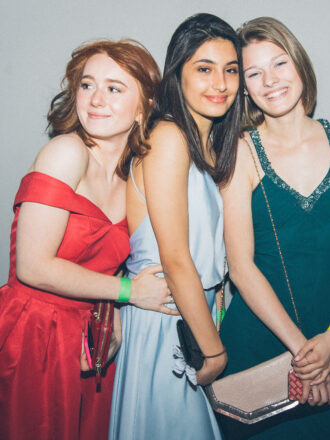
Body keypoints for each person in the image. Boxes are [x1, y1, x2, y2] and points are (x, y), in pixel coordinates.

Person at [0, 39, 176, 440]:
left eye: (114, 88)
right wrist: (130, 293)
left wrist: (114, 317)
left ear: (144, 107)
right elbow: (33, 266)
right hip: (34, 337)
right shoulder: (66, 152)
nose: (96, 99)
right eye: (87, 85)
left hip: (88, 342)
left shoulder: (132, 177)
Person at [218, 17, 330, 439]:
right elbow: (241, 268)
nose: (270, 80)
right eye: (254, 73)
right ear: (244, 88)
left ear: (300, 64)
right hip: (262, 349)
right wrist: (305, 357)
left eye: (279, 63)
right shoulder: (240, 152)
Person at [109, 13, 243, 439]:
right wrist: (215, 352)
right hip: (166, 324)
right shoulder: (169, 137)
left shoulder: (204, 144)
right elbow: (176, 259)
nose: (220, 83)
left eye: (231, 70)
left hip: (191, 319)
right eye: (204, 69)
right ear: (177, 74)